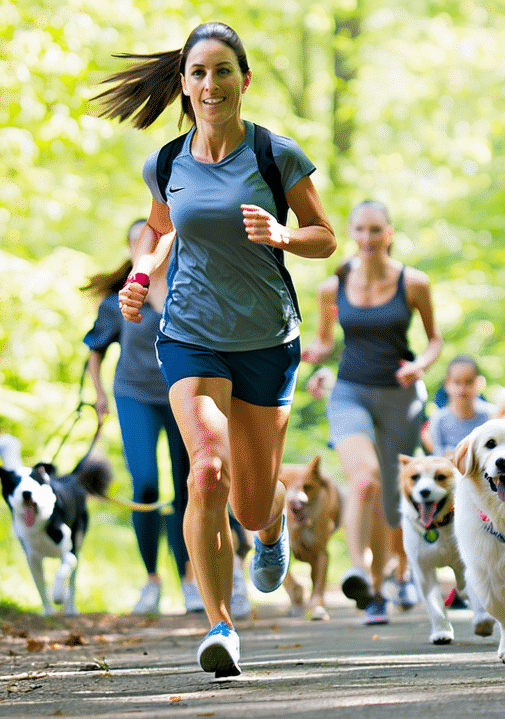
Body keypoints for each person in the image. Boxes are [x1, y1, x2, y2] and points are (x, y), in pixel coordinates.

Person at [93, 22, 337, 677]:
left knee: (253, 504)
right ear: (184, 83)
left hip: (266, 340)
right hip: (190, 335)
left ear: (244, 80)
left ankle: (273, 529)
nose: (211, 84)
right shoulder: (166, 162)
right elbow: (158, 229)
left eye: (223, 71)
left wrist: (284, 236)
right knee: (205, 469)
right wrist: (141, 275)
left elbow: (325, 236)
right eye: (198, 72)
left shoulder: (274, 154)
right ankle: (221, 627)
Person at [82, 220, 251, 619]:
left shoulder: (188, 291)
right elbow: (95, 349)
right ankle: (152, 580)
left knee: (186, 488)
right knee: (144, 484)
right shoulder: (119, 299)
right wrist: (99, 395)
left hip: (185, 396)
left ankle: (191, 579)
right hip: (134, 395)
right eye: (136, 241)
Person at [303, 201, 442, 625]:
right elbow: (326, 342)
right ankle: (360, 570)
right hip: (349, 393)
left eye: (376, 230)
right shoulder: (333, 287)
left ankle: (383, 588)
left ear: (391, 232)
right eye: (360, 230)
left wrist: (421, 365)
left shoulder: (414, 283)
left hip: (401, 398)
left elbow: (434, 340)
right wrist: (312, 358)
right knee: (363, 480)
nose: (367, 239)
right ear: (350, 233)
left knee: (391, 498)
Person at [422, 355, 493, 457]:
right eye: (457, 382)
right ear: (447, 384)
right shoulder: (439, 419)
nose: (462, 389)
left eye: (469, 382)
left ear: (479, 382)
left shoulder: (491, 415)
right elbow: (437, 455)